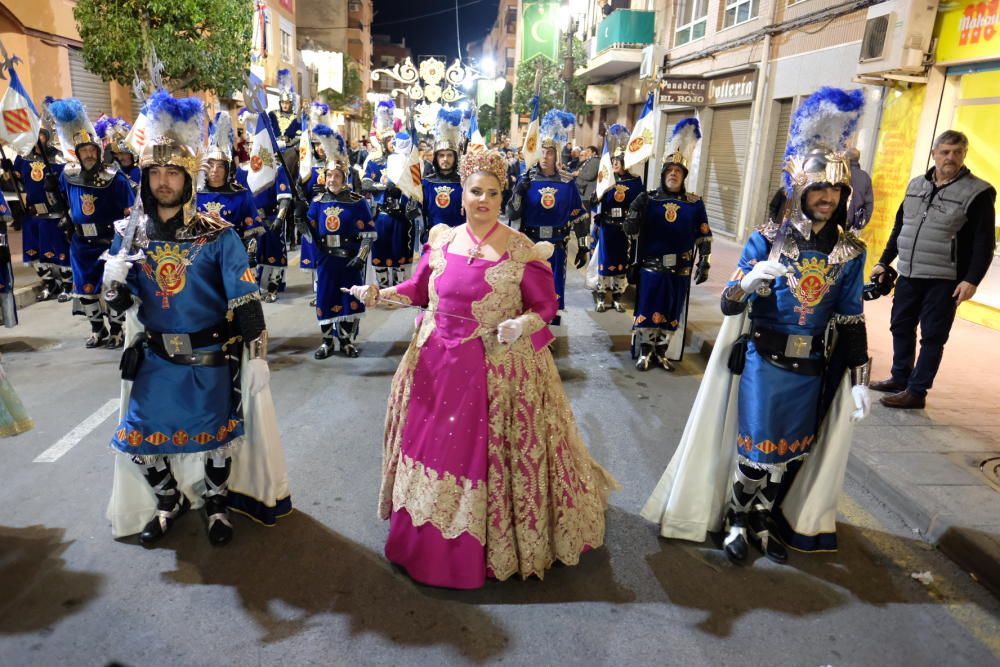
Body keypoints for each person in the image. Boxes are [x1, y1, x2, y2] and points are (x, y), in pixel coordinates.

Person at [348, 149, 616, 589]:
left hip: (495, 370)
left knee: (476, 456)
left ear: (502, 196)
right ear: (462, 196)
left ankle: (475, 549)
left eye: (492, 192)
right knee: (430, 450)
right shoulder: (441, 241)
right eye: (475, 191)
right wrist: (379, 294)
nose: (483, 200)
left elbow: (546, 306)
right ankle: (420, 542)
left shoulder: (521, 250)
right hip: (434, 368)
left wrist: (522, 324)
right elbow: (418, 292)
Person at [641, 87, 873, 564]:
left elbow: (851, 316)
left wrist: (859, 379)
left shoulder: (851, 250)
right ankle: (738, 517)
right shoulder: (766, 240)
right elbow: (728, 305)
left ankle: (765, 516)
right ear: (799, 189)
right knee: (756, 451)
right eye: (818, 188)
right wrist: (747, 283)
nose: (826, 196)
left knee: (792, 452)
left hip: (815, 365)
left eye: (834, 189)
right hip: (765, 361)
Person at [101, 90, 290, 545]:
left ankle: (217, 504)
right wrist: (112, 283)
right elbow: (120, 307)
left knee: (216, 437)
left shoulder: (218, 236)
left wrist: (260, 356)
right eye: (155, 172)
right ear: (145, 178)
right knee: (141, 439)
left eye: (173, 172)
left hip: (210, 356)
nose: (164, 181)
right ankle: (168, 502)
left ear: (188, 178)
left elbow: (246, 301)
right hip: (154, 359)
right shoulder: (130, 235)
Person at [870, 130, 996, 409]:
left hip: (945, 278)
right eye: (945, 151)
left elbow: (984, 241)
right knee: (900, 325)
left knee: (933, 336)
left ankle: (917, 391)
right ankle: (900, 377)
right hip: (909, 273)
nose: (950, 157)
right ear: (934, 153)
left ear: (964, 155)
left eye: (957, 152)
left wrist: (972, 279)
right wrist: (884, 260)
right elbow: (900, 226)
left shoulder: (978, 191)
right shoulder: (916, 185)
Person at [48, 97, 135, 348]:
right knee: (86, 289)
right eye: (83, 151)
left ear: (98, 152)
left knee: (110, 288)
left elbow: (129, 212)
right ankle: (97, 330)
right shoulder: (68, 175)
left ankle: (117, 330)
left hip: (109, 241)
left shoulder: (115, 178)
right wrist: (53, 194)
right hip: (80, 242)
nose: (88, 155)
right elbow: (60, 203)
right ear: (77, 153)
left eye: (91, 150)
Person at [625, 119, 711, 370]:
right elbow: (630, 231)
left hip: (680, 271)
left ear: (684, 176)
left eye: (678, 171)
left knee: (671, 314)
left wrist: (705, 262)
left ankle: (661, 352)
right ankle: (645, 351)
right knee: (648, 311)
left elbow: (704, 234)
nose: (673, 174)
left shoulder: (694, 203)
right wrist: (634, 212)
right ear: (663, 174)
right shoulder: (648, 199)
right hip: (651, 267)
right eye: (669, 170)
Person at [507, 109, 589, 322]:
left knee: (552, 292)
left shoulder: (567, 182)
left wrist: (583, 246)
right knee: (530, 291)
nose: (545, 156)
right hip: (530, 245)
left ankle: (546, 335)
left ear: (557, 154)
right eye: (542, 152)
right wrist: (518, 192)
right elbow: (512, 212)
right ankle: (529, 334)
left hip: (557, 246)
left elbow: (579, 215)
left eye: (550, 152)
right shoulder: (526, 180)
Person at [306, 127, 375, 359]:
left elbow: (369, 233)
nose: (332, 179)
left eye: (337, 176)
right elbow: (309, 232)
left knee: (348, 299)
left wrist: (361, 257)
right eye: (329, 175)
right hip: (326, 259)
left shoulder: (357, 202)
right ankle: (327, 341)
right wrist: (299, 216)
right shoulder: (317, 201)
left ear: (344, 179)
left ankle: (345, 340)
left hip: (349, 259)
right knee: (326, 298)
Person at [7, 131, 72, 302]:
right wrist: (10, 172)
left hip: (55, 213)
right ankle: (49, 284)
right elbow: (20, 182)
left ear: (48, 138)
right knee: (33, 253)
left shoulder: (59, 159)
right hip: (32, 214)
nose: (37, 140)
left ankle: (68, 285)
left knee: (60, 253)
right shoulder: (23, 158)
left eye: (41, 136)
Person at [236, 111, 293, 303]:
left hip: (271, 218)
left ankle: (273, 287)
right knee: (252, 256)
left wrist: (280, 218)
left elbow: (285, 197)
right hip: (252, 222)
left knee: (275, 254)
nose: (254, 150)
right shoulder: (243, 172)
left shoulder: (276, 171)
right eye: (252, 146)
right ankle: (254, 288)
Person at [592, 125, 642, 312]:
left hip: (624, 230)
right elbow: (593, 200)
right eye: (613, 161)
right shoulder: (607, 179)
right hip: (607, 227)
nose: (614, 164)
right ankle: (601, 298)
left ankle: (617, 298)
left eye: (618, 161)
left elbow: (640, 203)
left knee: (622, 265)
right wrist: (599, 193)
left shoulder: (635, 182)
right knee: (605, 264)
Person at [198, 111, 261, 259]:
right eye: (211, 165)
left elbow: (253, 225)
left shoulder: (240, 194)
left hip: (232, 256)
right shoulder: (195, 194)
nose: (215, 170)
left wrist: (249, 250)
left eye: (220, 166)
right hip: (201, 258)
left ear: (227, 169)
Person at [418, 109, 464, 236]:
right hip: (433, 236)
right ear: (436, 158)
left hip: (458, 237)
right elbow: (420, 212)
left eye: (449, 155)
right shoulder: (427, 182)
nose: (445, 159)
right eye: (441, 155)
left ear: (455, 158)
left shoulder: (464, 182)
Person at [96, 117, 141, 188]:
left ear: (131, 152)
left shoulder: (140, 171)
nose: (120, 158)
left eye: (123, 153)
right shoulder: (113, 170)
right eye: (116, 154)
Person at [268, 68, 302, 151]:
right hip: (273, 148)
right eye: (283, 103)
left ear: (290, 104)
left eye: (287, 103)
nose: (284, 105)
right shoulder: (272, 115)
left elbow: (299, 134)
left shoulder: (296, 118)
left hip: (289, 149)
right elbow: (267, 130)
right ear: (280, 103)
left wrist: (290, 142)